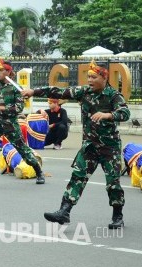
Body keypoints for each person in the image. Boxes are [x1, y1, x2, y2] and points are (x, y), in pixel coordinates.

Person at [21, 60, 130, 229]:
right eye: (88, 77)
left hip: (110, 147)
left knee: (113, 183)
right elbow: (58, 92)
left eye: (93, 77)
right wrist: (33, 91)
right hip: (90, 147)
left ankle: (118, 215)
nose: (90, 80)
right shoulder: (84, 92)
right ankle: (64, 211)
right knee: (77, 178)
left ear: (104, 77)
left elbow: (125, 112)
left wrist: (107, 115)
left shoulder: (114, 95)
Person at [0, 59, 45, 188]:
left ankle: (39, 172)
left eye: (1, 70)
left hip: (9, 124)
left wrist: (1, 108)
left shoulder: (16, 88)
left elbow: (18, 108)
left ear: (8, 72)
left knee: (22, 148)